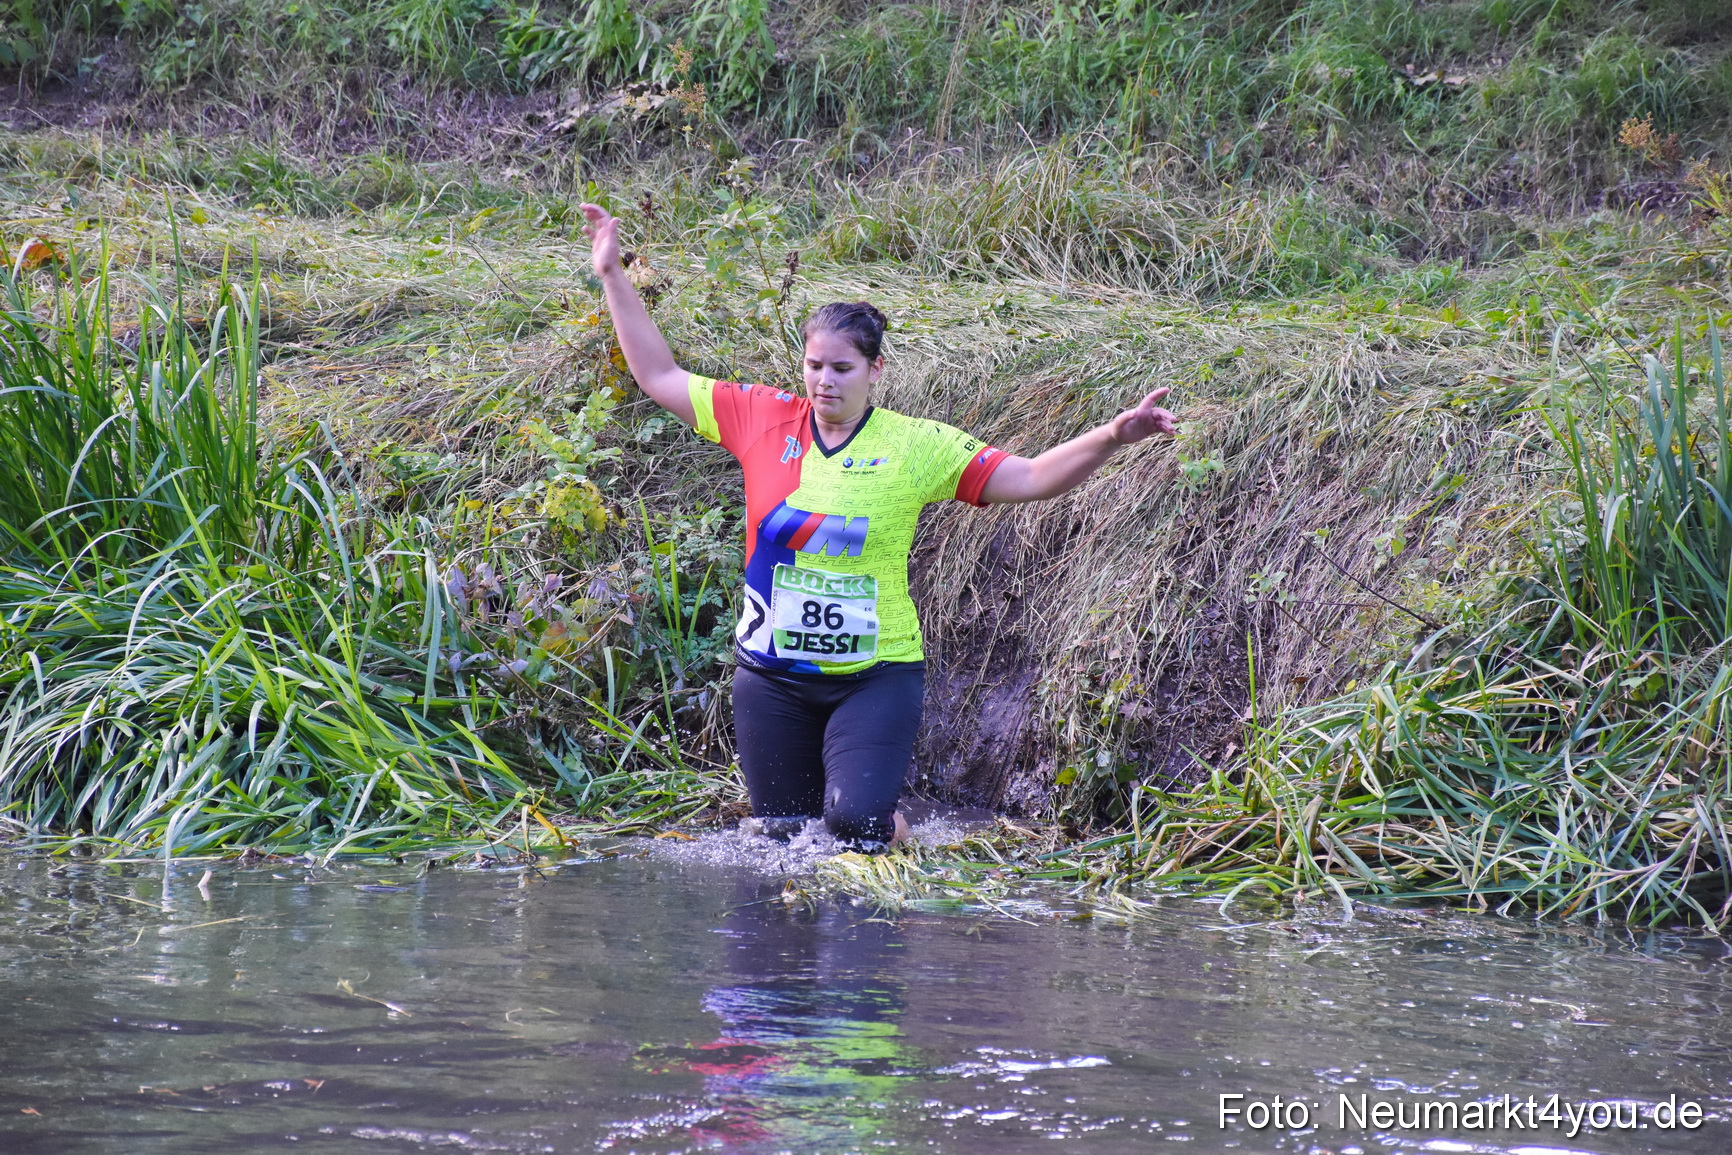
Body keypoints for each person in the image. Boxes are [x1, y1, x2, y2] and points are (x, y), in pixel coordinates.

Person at [580, 201, 1176, 851]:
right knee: (784, 839)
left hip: (874, 676)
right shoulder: (760, 416)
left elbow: (1031, 477)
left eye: (842, 368)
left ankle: (900, 848)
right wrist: (612, 274)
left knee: (855, 825)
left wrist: (1115, 435)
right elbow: (659, 375)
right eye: (814, 366)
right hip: (771, 677)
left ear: (875, 371)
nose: (825, 381)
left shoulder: (915, 445)